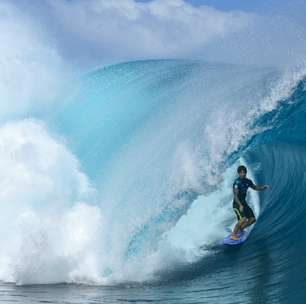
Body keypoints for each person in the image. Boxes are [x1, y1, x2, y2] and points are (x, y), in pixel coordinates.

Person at [231, 165, 270, 240]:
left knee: (252, 219)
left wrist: (263, 187)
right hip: (237, 204)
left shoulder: (248, 181)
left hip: (244, 203)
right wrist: (240, 205)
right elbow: (235, 196)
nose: (243, 174)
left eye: (244, 172)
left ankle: (241, 229)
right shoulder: (236, 183)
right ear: (238, 173)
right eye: (241, 173)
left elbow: (255, 187)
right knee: (243, 219)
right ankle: (233, 234)